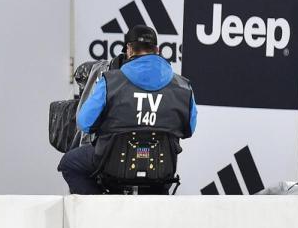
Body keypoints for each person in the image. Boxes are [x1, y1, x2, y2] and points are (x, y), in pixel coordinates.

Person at [58, 25, 198, 194]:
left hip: (112, 166)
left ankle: (99, 212)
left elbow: (84, 123)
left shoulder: (110, 81)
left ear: (129, 50)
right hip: (160, 170)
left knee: (69, 163)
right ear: (158, 50)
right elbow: (189, 129)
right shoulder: (183, 87)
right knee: (158, 176)